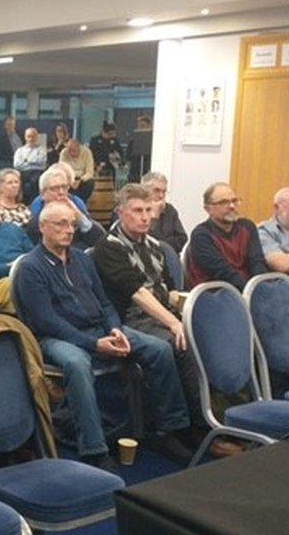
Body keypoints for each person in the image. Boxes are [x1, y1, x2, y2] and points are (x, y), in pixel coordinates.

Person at [15, 202, 190, 471]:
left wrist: (115, 328)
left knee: (159, 350)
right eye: (61, 224)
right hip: (54, 338)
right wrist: (93, 344)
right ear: (42, 227)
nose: (69, 230)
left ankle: (171, 429)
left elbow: (105, 302)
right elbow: (46, 321)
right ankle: (94, 449)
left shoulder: (83, 259)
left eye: (72, 224)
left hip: (99, 328)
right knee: (77, 364)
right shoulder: (30, 267)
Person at [92, 184, 202, 429]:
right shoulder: (107, 247)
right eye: (137, 210)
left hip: (158, 314)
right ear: (121, 213)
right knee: (180, 344)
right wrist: (174, 323)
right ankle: (182, 426)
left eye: (148, 210)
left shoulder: (155, 245)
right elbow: (137, 294)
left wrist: (191, 307)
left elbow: (169, 291)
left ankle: (211, 415)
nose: (145, 217)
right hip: (130, 318)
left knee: (205, 334)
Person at [187, 183, 268, 290]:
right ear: (208, 209)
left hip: (249, 291)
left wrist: (260, 288)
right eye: (224, 202)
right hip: (215, 294)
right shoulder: (201, 235)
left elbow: (257, 263)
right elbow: (222, 273)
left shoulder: (248, 227)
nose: (232, 206)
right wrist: (250, 292)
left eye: (234, 201)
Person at [29, 166, 103, 248]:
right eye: (55, 188)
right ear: (42, 194)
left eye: (64, 187)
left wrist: (80, 217)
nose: (61, 192)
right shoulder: (37, 222)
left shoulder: (77, 209)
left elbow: (100, 241)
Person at [141, 172, 188, 253]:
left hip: (169, 258)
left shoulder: (170, 210)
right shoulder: (137, 210)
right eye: (157, 190)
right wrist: (153, 218)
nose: (161, 196)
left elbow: (182, 238)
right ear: (144, 191)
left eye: (164, 191)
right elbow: (142, 241)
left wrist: (161, 244)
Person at [14, 127, 48, 203]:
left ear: (36, 137)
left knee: (34, 181)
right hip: (23, 173)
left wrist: (26, 160)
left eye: (33, 136)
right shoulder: (20, 151)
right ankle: (23, 202)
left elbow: (42, 162)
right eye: (29, 136)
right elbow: (16, 164)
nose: (31, 139)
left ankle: (35, 202)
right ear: (25, 137)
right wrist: (34, 162)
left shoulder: (41, 149)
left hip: (37, 172)